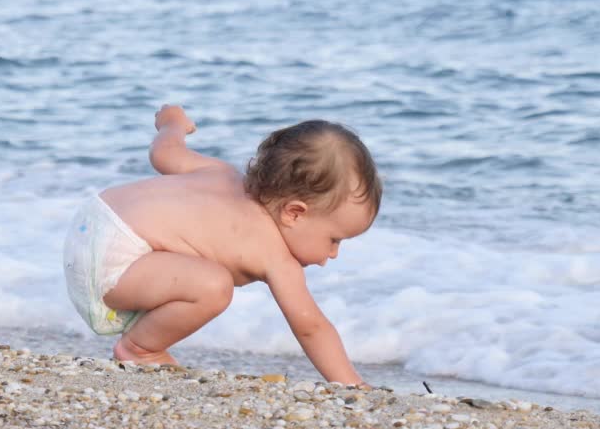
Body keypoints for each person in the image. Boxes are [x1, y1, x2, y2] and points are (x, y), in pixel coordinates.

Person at [63, 104, 382, 386]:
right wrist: (352, 385)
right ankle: (140, 349)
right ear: (294, 213)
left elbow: (164, 154)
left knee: (192, 263)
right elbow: (311, 327)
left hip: (93, 219)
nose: (333, 253)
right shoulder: (276, 256)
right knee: (213, 285)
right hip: (110, 261)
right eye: (334, 239)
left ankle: (142, 343)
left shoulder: (222, 173)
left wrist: (173, 124)